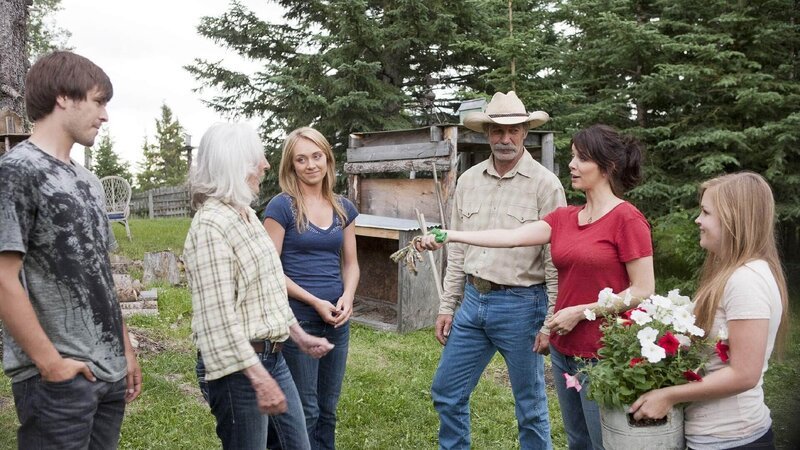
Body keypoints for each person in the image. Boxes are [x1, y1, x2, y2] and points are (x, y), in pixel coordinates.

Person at [418, 123, 655, 450]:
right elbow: (509, 237)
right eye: (572, 156)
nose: (571, 165)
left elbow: (643, 289)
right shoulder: (566, 218)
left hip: (602, 350)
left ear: (607, 167)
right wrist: (451, 235)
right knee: (578, 440)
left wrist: (581, 312)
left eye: (580, 158)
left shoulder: (627, 219)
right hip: (564, 347)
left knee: (603, 442)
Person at [0, 51, 142, 449]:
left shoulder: (90, 181)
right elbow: (3, 278)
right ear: (64, 96)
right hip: (58, 384)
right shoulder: (16, 171)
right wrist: (49, 363)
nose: (105, 115)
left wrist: (125, 350)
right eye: (99, 101)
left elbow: (100, 273)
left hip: (107, 375)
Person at [421, 91, 566, 450]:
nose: (505, 139)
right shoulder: (468, 181)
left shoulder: (546, 184)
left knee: (529, 406)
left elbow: (555, 260)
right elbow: (457, 248)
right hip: (472, 303)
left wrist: (550, 320)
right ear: (487, 133)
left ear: (525, 132)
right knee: (446, 392)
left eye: (513, 130)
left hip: (521, 306)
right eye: (497, 131)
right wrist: (447, 304)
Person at [184, 123, 334, 450]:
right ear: (234, 164)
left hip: (271, 358)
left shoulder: (246, 214)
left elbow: (267, 290)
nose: (266, 164)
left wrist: (300, 336)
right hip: (238, 368)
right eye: (257, 158)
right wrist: (258, 378)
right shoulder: (211, 225)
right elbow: (218, 322)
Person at [630, 172, 789, 450]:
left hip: (732, 438)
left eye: (706, 212)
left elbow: (744, 374)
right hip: (718, 437)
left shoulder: (746, 280)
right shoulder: (734, 273)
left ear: (733, 219)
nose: (698, 220)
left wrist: (668, 395)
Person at [263, 127, 359, 450]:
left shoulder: (343, 207)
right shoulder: (281, 208)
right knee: (305, 409)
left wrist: (347, 296)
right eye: (301, 159)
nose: (310, 165)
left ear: (327, 158)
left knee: (328, 410)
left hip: (337, 319)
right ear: (291, 166)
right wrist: (314, 301)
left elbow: (351, 264)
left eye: (316, 156)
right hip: (299, 318)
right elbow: (270, 269)